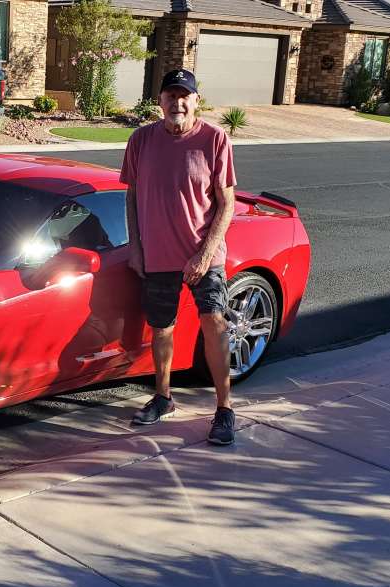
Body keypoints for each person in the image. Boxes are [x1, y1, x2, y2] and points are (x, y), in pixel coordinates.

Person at [120, 68, 237, 445]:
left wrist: (204, 255)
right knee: (161, 328)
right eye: (171, 95)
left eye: (185, 95)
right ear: (160, 101)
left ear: (196, 101)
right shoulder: (141, 140)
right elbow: (132, 196)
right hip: (157, 256)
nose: (177, 102)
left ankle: (224, 408)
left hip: (205, 256)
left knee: (214, 323)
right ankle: (163, 397)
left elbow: (227, 203)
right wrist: (136, 246)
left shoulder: (215, 139)